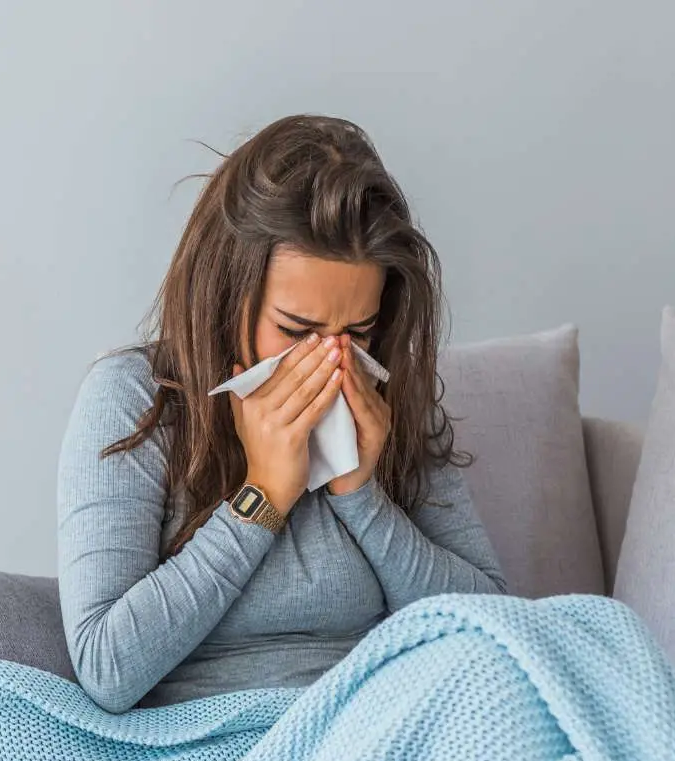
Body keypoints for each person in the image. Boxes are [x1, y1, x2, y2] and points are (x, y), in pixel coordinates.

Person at [57, 114, 507, 713]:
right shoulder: (135, 399)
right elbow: (107, 667)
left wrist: (362, 495)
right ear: (224, 294)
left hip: (386, 720)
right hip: (221, 746)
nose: (330, 360)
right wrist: (263, 496)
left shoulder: (385, 403)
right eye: (296, 329)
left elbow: (496, 626)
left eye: (359, 331)